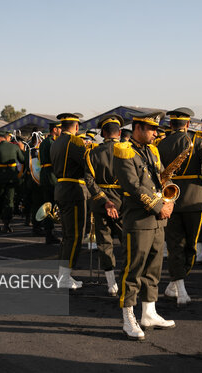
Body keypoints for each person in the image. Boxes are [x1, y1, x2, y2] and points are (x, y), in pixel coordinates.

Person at [113, 111, 175, 340]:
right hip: (139, 219)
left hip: (158, 220)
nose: (155, 133)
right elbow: (132, 186)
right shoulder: (123, 151)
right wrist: (161, 207)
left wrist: (169, 201)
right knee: (133, 269)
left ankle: (149, 312)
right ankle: (128, 316)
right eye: (151, 129)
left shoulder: (153, 150)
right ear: (137, 128)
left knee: (154, 267)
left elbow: (162, 177)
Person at [157, 107, 202, 306]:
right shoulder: (197, 141)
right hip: (194, 198)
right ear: (188, 124)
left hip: (169, 199)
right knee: (191, 245)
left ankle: (176, 284)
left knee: (174, 245)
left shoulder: (160, 143)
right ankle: (180, 287)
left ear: (170, 124)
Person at [84, 114, 125, 296]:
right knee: (129, 242)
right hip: (124, 202)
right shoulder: (128, 150)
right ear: (120, 132)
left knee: (104, 243)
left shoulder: (93, 152)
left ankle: (111, 284)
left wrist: (104, 200)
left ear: (103, 133)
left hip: (101, 203)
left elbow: (89, 181)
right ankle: (128, 280)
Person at [51, 113, 89, 289]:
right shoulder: (74, 142)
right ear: (75, 126)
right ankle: (65, 277)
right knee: (74, 235)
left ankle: (63, 276)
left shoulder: (55, 142)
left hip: (61, 187)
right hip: (73, 189)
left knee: (67, 236)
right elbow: (87, 163)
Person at [0, 131, 25, 233]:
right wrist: (22, 150)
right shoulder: (15, 147)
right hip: (12, 177)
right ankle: (7, 224)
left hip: (0, 177)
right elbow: (23, 160)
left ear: (0, 138)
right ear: (6, 138)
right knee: (9, 201)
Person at [38, 121, 61, 244]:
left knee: (47, 205)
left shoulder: (44, 142)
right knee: (52, 205)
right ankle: (50, 233)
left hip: (44, 174)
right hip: (52, 175)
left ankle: (49, 233)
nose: (61, 130)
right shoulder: (52, 142)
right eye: (59, 128)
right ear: (55, 129)